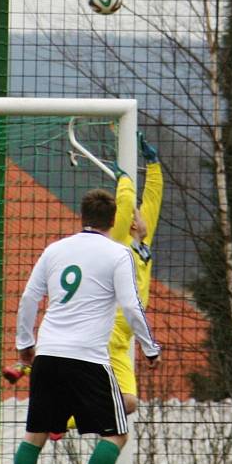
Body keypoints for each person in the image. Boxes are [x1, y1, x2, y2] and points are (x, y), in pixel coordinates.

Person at [4, 188, 161, 464]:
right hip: (87, 358)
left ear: (82, 215)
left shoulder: (55, 249)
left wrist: (25, 344)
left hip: (47, 354)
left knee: (35, 433)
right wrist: (150, 347)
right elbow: (132, 307)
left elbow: (30, 297)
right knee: (117, 434)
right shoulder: (118, 255)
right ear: (112, 221)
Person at [51, 132, 164, 439]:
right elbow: (127, 201)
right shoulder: (116, 242)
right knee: (96, 392)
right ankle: (54, 405)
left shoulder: (144, 240)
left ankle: (61, 422)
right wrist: (123, 177)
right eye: (132, 216)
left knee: (128, 403)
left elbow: (152, 200)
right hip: (109, 328)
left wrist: (153, 164)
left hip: (124, 337)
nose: (139, 217)